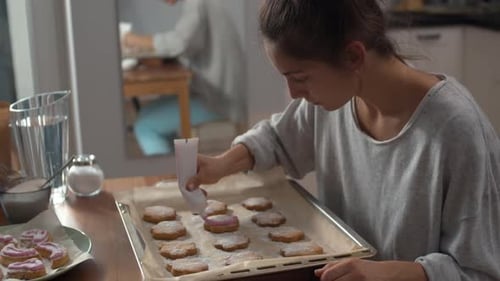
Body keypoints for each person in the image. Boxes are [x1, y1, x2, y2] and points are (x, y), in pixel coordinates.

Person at [185, 0, 500, 280]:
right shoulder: (335, 100)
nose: (294, 95)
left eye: (300, 78)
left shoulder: (456, 130)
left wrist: (388, 272)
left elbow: (478, 270)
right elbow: (277, 138)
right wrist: (220, 164)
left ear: (352, 55)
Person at [123, 0, 245, 155]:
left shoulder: (196, 2)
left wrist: (131, 39)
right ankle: (175, 168)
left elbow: (179, 43)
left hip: (218, 98)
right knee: (145, 114)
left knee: (144, 127)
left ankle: (170, 174)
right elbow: (189, 45)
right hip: (216, 91)